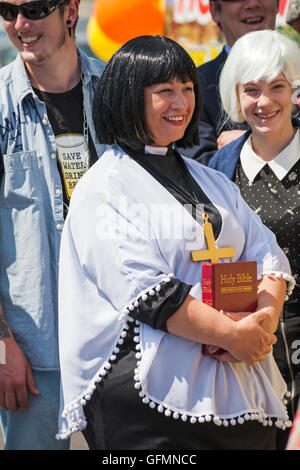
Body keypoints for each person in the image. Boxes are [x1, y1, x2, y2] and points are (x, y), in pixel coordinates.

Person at [56, 35, 295, 451]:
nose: (181, 102)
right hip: (148, 407)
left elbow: (268, 255)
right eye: (164, 91)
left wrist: (263, 320)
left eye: (187, 88)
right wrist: (231, 334)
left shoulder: (212, 180)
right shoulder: (104, 185)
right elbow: (145, 290)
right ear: (130, 97)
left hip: (239, 380)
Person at [0, 0, 106, 450]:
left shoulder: (118, 90)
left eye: (35, 8)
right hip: (32, 348)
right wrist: (3, 344)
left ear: (71, 11)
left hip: (120, 339)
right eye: (7, 10)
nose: (20, 24)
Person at [208, 29, 300, 448]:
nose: (264, 102)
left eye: (277, 86)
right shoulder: (215, 169)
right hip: (245, 348)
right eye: (252, 89)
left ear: (293, 88)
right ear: (235, 94)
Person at [178, 0, 278, 165]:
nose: (252, 4)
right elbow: (199, 169)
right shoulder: (194, 85)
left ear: (277, 4)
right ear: (214, 10)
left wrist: (251, 143)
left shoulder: (295, 71)